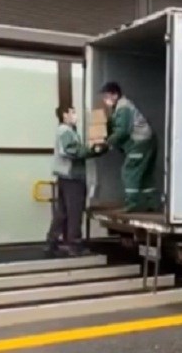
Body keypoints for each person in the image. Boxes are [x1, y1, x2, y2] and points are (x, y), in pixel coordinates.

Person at [46, 105, 107, 257]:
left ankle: (52, 241)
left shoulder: (68, 131)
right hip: (72, 177)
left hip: (65, 177)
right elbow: (71, 150)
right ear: (64, 115)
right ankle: (75, 244)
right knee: (74, 211)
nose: (75, 115)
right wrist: (92, 150)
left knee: (62, 212)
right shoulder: (65, 131)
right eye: (72, 112)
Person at [100, 81, 158, 213]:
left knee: (129, 171)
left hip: (139, 143)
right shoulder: (123, 106)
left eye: (107, 96)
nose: (105, 100)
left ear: (115, 95)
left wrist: (107, 142)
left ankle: (132, 203)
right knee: (145, 174)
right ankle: (152, 202)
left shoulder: (123, 107)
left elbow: (122, 131)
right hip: (148, 141)